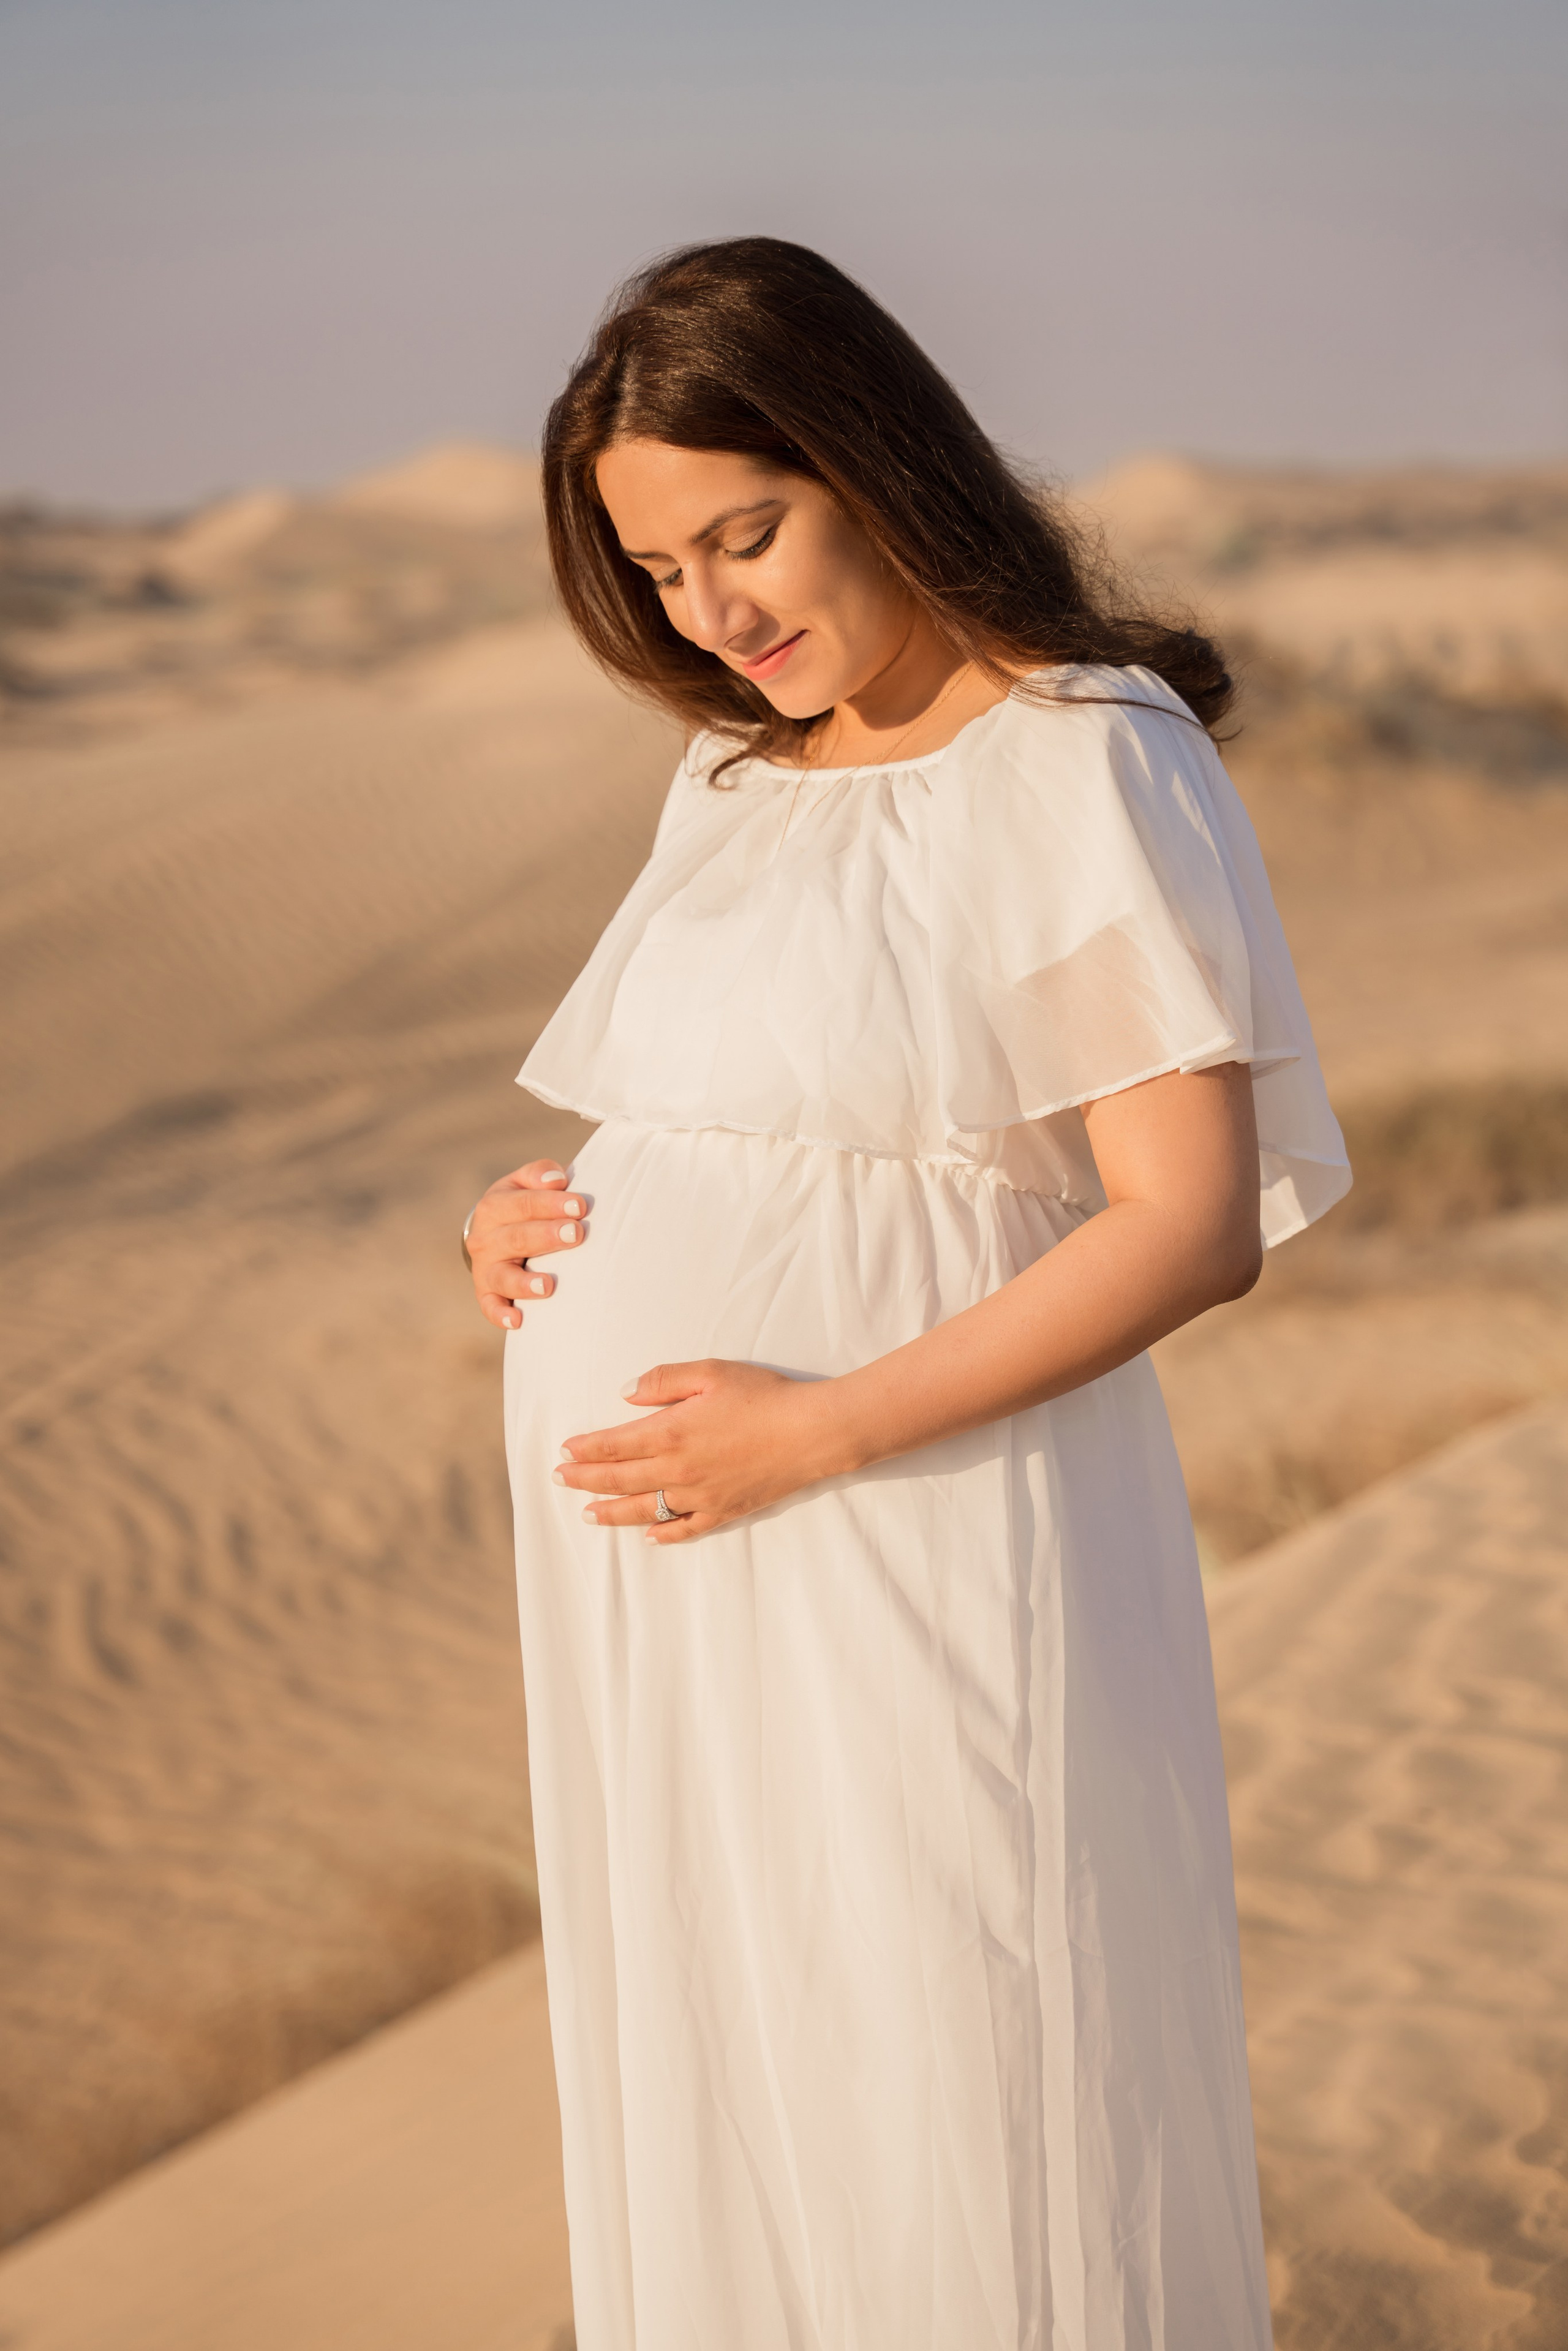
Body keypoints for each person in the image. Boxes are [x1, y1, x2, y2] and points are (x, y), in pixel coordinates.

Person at [464, 237, 1349, 2350]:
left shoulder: (1073, 754)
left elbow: (1185, 1218)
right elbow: (729, 1118)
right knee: (743, 2066)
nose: (714, 613)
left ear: (870, 458)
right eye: (663, 574)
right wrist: (534, 1218)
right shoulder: (740, 778)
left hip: (913, 1527)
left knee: (959, 2064)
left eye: (743, 534)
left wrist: (816, 1426)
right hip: (681, 1584)